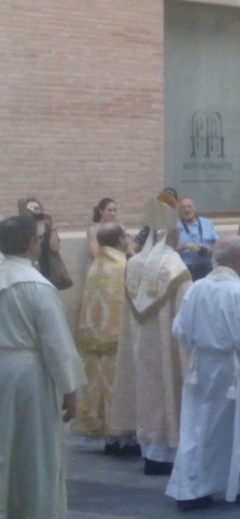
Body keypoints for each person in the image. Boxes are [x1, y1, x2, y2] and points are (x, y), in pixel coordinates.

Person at [166, 236, 240, 511]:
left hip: (200, 366)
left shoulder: (196, 288)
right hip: (232, 370)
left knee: (196, 427)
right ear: (239, 260)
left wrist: (201, 345)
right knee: (239, 428)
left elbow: (179, 330)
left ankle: (191, 488)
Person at [0, 215, 87, 519]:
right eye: (37, 239)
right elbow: (57, 344)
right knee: (34, 452)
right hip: (29, 376)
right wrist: (70, 389)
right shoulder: (38, 287)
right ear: (30, 244)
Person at [111, 193, 193, 476]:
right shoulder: (175, 268)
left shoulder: (133, 265)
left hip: (141, 345)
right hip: (168, 345)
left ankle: (151, 452)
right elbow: (186, 316)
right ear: (172, 232)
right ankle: (169, 452)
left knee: (147, 390)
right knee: (169, 389)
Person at [73, 223, 135, 454]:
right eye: (126, 236)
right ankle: (122, 439)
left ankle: (109, 440)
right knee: (118, 388)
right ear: (120, 240)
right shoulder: (123, 266)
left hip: (95, 338)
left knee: (100, 388)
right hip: (118, 339)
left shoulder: (96, 265)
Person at [176, 196, 219, 280]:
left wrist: (211, 249)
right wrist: (185, 246)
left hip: (206, 266)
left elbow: (217, 243)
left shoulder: (206, 222)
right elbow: (169, 250)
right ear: (179, 211)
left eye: (189, 206)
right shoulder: (175, 226)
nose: (187, 210)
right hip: (184, 268)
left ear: (194, 208)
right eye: (183, 207)